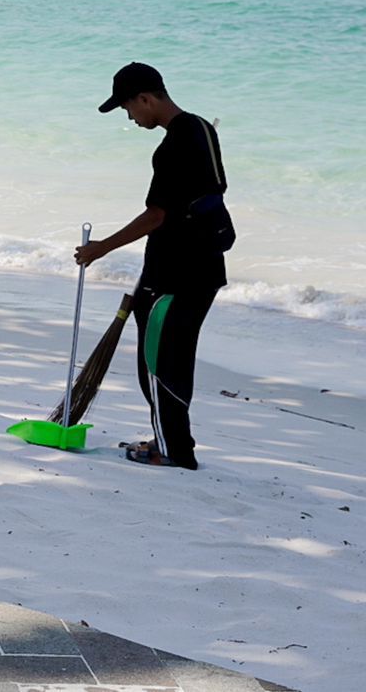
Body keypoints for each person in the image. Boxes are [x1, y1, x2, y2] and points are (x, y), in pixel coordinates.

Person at [75, 62, 231, 470]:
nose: (130, 117)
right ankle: (170, 438)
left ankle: (173, 451)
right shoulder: (201, 128)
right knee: (173, 358)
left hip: (177, 273)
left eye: (128, 108)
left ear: (146, 98)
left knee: (160, 363)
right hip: (204, 265)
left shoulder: (173, 146)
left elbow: (157, 216)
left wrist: (101, 248)